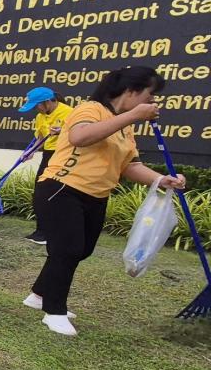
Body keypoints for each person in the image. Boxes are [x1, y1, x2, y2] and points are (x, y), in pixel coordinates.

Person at [28, 66, 185, 337]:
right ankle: (54, 311)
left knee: (82, 250)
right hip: (61, 189)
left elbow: (130, 165)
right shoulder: (89, 110)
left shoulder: (125, 127)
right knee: (68, 249)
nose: (152, 103)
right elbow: (81, 136)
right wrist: (134, 115)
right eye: (149, 96)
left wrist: (161, 180)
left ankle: (39, 294)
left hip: (95, 195)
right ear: (131, 91)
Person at [18, 86, 74, 245]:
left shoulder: (70, 113)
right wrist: (30, 152)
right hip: (48, 155)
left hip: (65, 156)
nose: (36, 109)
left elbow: (82, 134)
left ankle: (52, 233)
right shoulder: (40, 117)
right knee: (40, 192)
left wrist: (62, 131)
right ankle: (41, 231)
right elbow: (39, 138)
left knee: (55, 194)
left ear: (47, 102)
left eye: (37, 105)